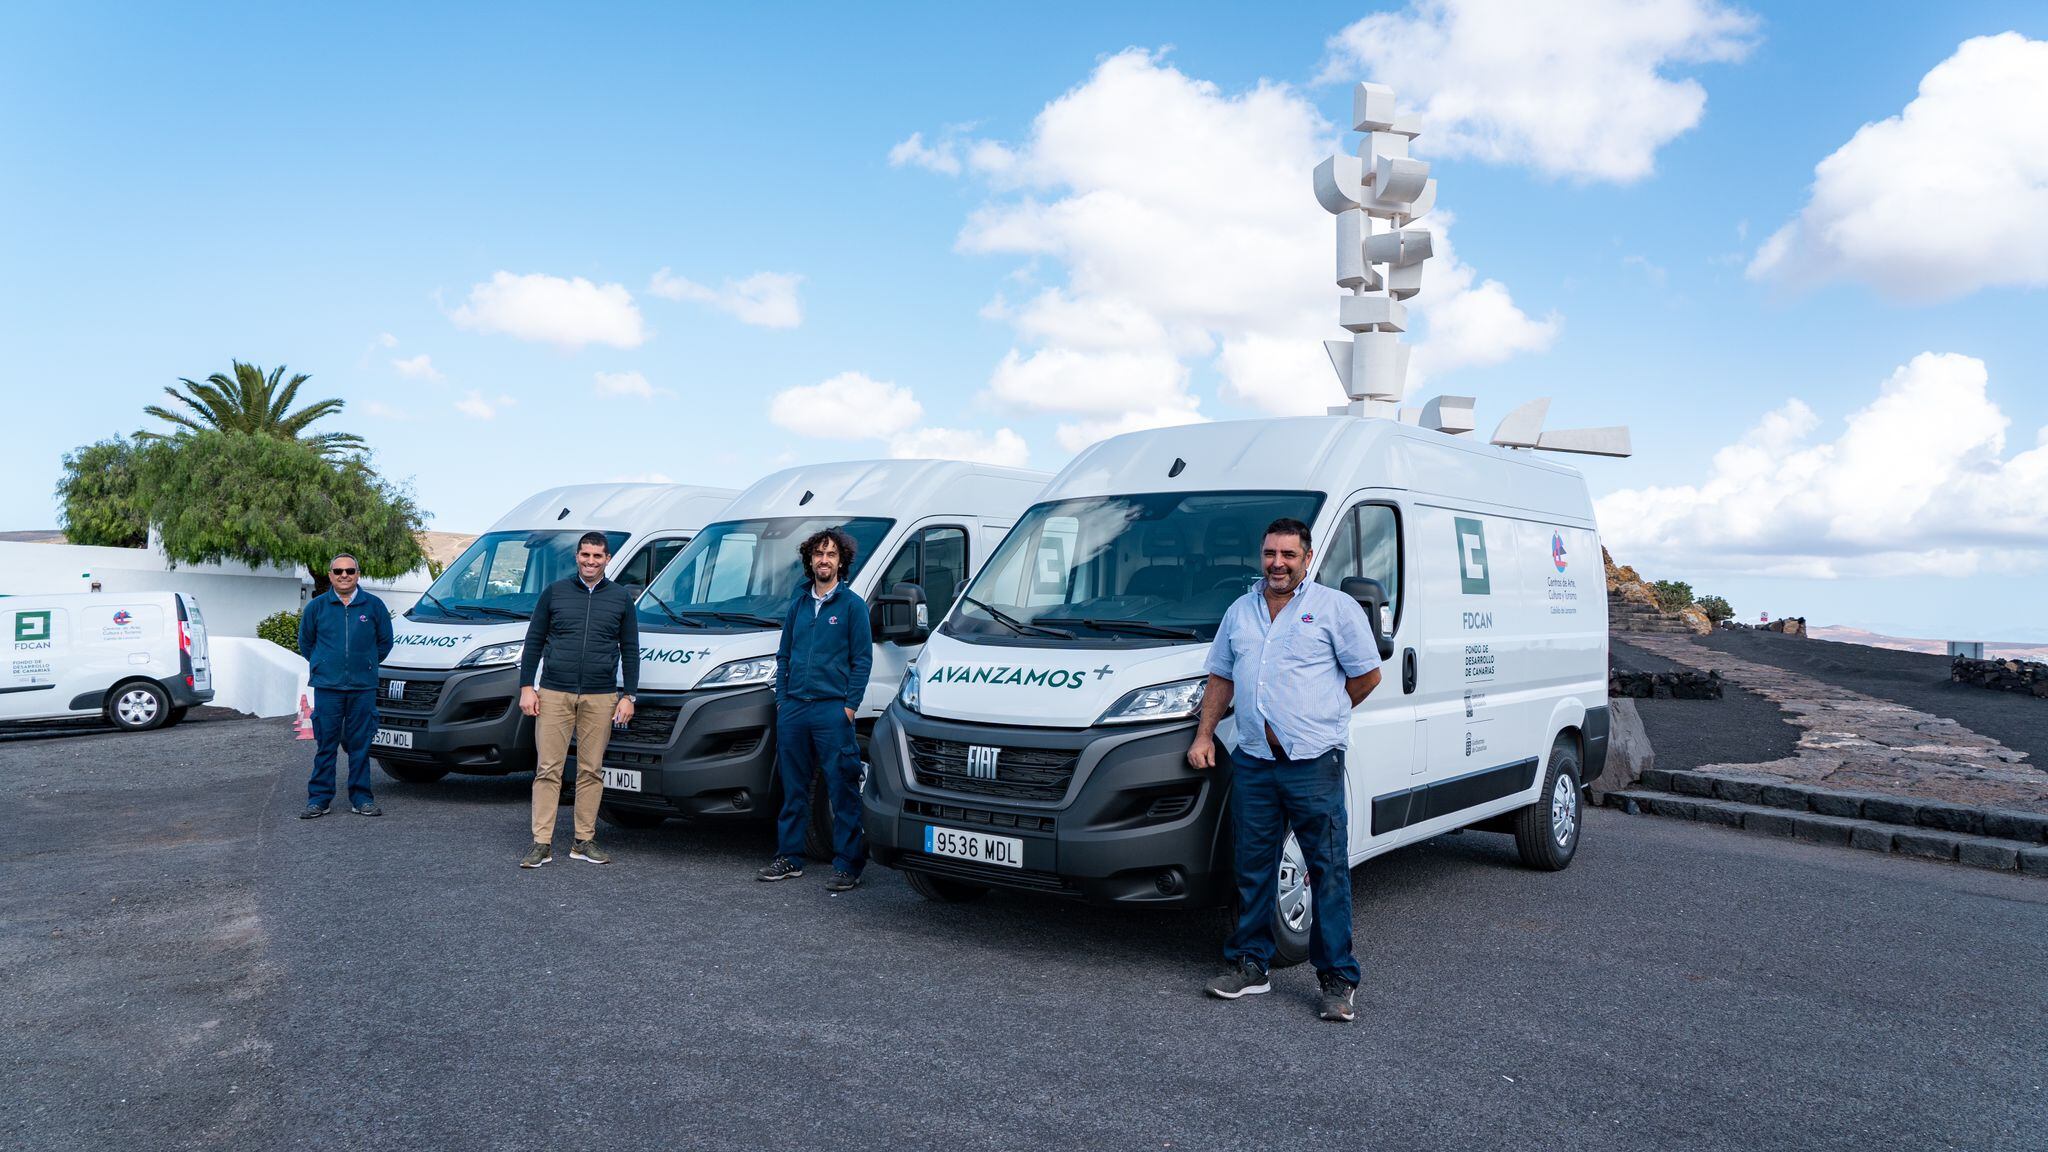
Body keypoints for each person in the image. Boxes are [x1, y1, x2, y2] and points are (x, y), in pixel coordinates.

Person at [1187, 517, 1382, 1022]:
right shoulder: (1240, 611)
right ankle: (1251, 966)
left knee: (1327, 871)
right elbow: (1221, 677)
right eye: (1270, 553)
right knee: (1252, 867)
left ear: (1307, 558)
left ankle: (1337, 979)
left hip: (1312, 761)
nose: (1278, 563)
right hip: (1253, 759)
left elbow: (1367, 675)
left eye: (1288, 555)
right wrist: (1205, 734)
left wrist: (1324, 716)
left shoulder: (1334, 609)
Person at [757, 527, 872, 892]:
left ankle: (848, 864)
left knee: (842, 788)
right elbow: (784, 655)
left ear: (841, 562)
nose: (824, 560)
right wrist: (783, 700)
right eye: (819, 554)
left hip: (832, 712)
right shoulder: (799, 604)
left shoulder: (852, 606)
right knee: (793, 788)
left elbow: (862, 661)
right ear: (809, 560)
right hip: (794, 710)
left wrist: (850, 707)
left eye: (831, 554)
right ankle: (789, 858)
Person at [516, 531, 639, 868]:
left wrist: (629, 695)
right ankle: (541, 843)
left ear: (608, 559)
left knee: (591, 771)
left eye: (597, 556)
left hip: (601, 696)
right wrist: (527, 686)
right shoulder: (555, 592)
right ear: (577, 556)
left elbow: (630, 649)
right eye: (585, 555)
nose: (590, 561)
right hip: (554, 692)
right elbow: (534, 641)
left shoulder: (621, 598)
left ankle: (583, 841)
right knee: (548, 770)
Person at [297, 553, 395, 819]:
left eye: (349, 571)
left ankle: (361, 798)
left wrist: (366, 664)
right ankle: (319, 799)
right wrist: (324, 663)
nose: (344, 575)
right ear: (330, 575)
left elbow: (385, 643)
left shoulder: (374, 606)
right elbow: (306, 643)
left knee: (360, 744)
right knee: (326, 744)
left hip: (363, 687)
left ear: (357, 574)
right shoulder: (316, 607)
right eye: (338, 571)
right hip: (328, 687)